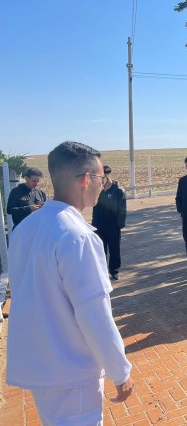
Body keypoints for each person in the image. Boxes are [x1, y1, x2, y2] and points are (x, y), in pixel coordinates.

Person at [6, 141, 134, 424]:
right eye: (100, 178)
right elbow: (94, 314)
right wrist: (120, 371)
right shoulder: (78, 236)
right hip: (72, 371)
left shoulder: (27, 228)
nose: (102, 185)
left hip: (41, 364)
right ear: (86, 179)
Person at [92, 165, 127, 281]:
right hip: (100, 226)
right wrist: (94, 224)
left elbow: (122, 209)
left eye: (102, 177)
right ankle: (101, 272)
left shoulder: (118, 191)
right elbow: (95, 209)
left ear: (107, 175)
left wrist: (119, 224)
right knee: (100, 249)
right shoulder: (98, 191)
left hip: (113, 226)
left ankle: (114, 270)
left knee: (114, 249)